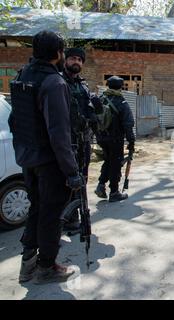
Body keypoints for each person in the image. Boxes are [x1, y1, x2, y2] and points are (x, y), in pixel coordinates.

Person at [9, 30, 82, 284]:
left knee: (37, 210)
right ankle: (46, 268)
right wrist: (72, 173)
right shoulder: (55, 83)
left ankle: (26, 266)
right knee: (52, 215)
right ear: (58, 54)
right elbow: (59, 135)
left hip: (28, 159)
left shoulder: (22, 76)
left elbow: (14, 120)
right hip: (50, 163)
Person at [62, 47, 98, 231]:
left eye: (79, 59)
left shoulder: (83, 85)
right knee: (68, 179)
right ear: (65, 60)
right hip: (66, 141)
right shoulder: (59, 82)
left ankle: (79, 212)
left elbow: (88, 110)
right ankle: (69, 217)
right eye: (73, 59)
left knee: (82, 177)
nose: (76, 62)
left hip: (83, 140)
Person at [94, 76, 135, 202]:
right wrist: (131, 141)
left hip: (101, 138)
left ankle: (101, 185)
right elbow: (128, 123)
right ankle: (114, 192)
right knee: (116, 164)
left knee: (108, 160)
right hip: (115, 139)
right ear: (121, 87)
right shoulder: (121, 102)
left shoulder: (101, 99)